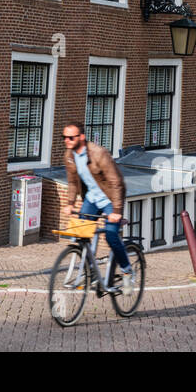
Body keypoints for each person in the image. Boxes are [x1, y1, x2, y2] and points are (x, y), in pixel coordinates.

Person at [63, 121, 133, 292]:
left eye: (71, 137)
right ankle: (92, 273)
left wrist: (116, 212)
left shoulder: (99, 153)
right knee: (81, 234)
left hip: (110, 199)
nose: (67, 140)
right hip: (92, 199)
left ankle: (126, 271)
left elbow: (116, 182)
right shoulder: (70, 156)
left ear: (81, 137)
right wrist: (70, 203)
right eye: (64, 137)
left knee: (110, 235)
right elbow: (72, 182)